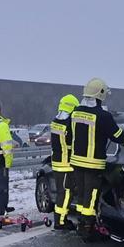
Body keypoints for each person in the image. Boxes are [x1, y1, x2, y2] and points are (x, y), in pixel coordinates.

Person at [69, 77, 124, 237]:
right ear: (101, 95)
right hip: (93, 164)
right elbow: (117, 135)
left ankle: (81, 224)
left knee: (82, 194)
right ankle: (88, 229)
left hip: (77, 161)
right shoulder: (103, 116)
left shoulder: (75, 112)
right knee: (91, 197)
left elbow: (70, 134)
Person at [49, 93, 80, 229]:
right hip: (66, 163)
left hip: (57, 162)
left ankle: (60, 219)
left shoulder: (55, 121)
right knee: (66, 192)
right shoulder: (70, 124)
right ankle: (60, 222)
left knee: (62, 192)